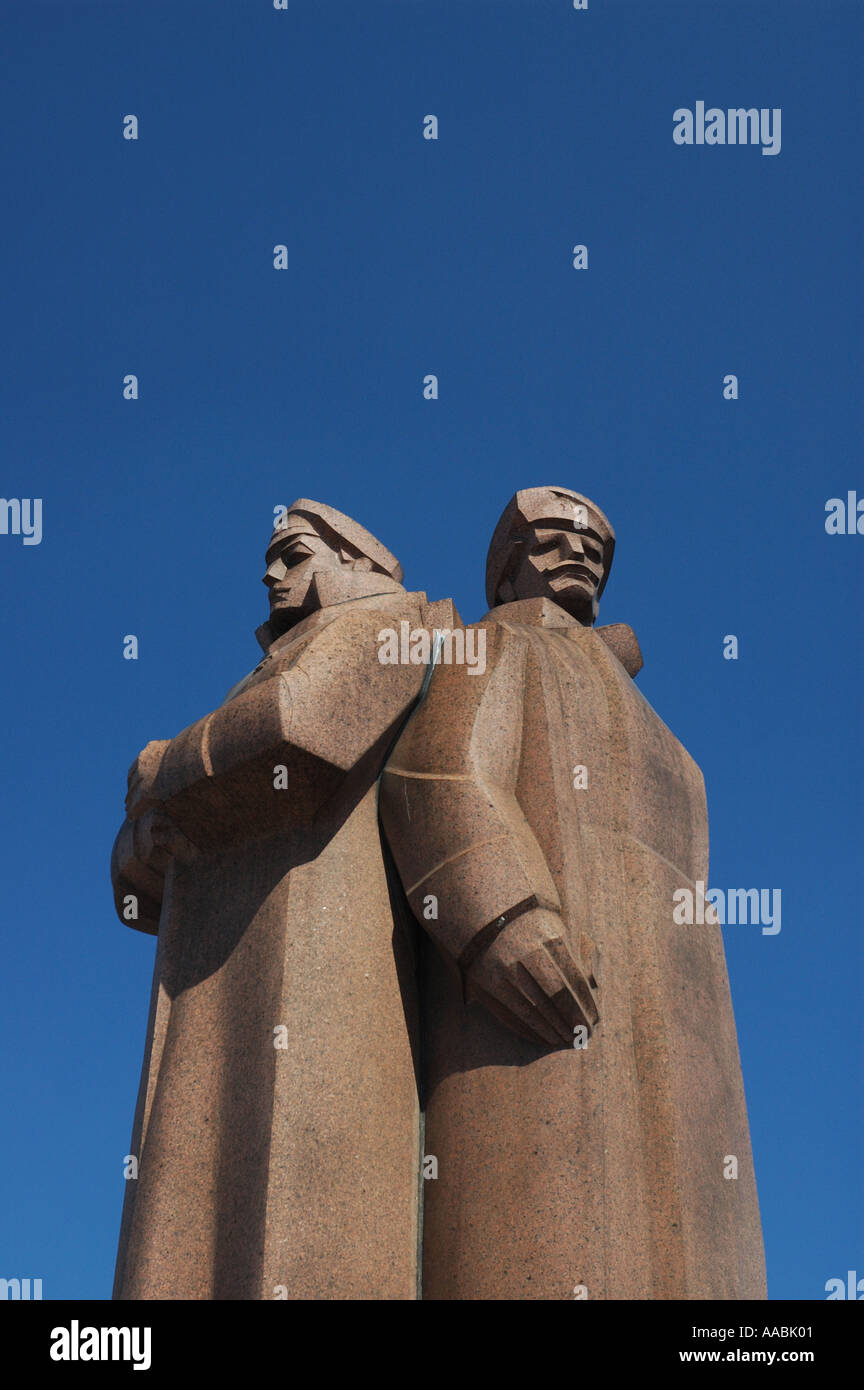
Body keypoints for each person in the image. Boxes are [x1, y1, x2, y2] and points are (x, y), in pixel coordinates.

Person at [379, 485, 766, 1299]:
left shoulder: (653, 720)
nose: (580, 551)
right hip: (542, 991)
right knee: (543, 1243)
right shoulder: (497, 642)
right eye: (552, 536)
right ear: (508, 567)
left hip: (677, 1036)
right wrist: (502, 919)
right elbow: (435, 773)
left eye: (595, 543)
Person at [112, 499, 456, 1300]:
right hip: (203, 971)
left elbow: (299, 728)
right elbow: (137, 884)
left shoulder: (398, 623)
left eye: (292, 554)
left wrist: (161, 768)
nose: (270, 573)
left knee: (290, 1207)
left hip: (321, 958)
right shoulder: (255, 674)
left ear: (355, 561)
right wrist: (145, 840)